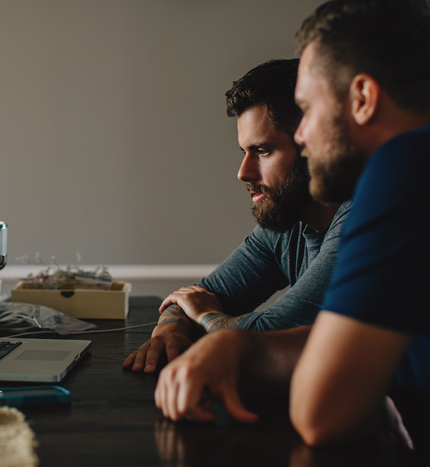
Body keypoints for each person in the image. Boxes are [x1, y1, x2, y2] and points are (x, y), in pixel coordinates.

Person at [154, 0, 430, 451]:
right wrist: (234, 342)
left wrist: (226, 334)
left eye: (308, 108)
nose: (302, 136)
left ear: (362, 99)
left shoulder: (404, 166)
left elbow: (321, 413)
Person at [125, 59, 351, 373]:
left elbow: (268, 336)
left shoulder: (360, 221)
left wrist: (205, 317)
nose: (243, 172)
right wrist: (170, 331)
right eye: (244, 152)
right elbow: (191, 297)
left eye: (263, 151)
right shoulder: (285, 224)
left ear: (315, 146)